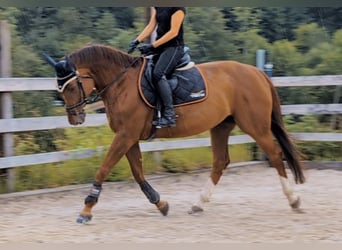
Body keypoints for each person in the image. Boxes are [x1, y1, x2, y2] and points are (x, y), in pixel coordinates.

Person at [128, 7, 186, 128]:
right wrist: (137, 40)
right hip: (161, 48)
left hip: (174, 48)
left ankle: (169, 115)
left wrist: (152, 45)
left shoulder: (178, 7)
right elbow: (151, 25)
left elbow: (174, 32)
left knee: (158, 73)